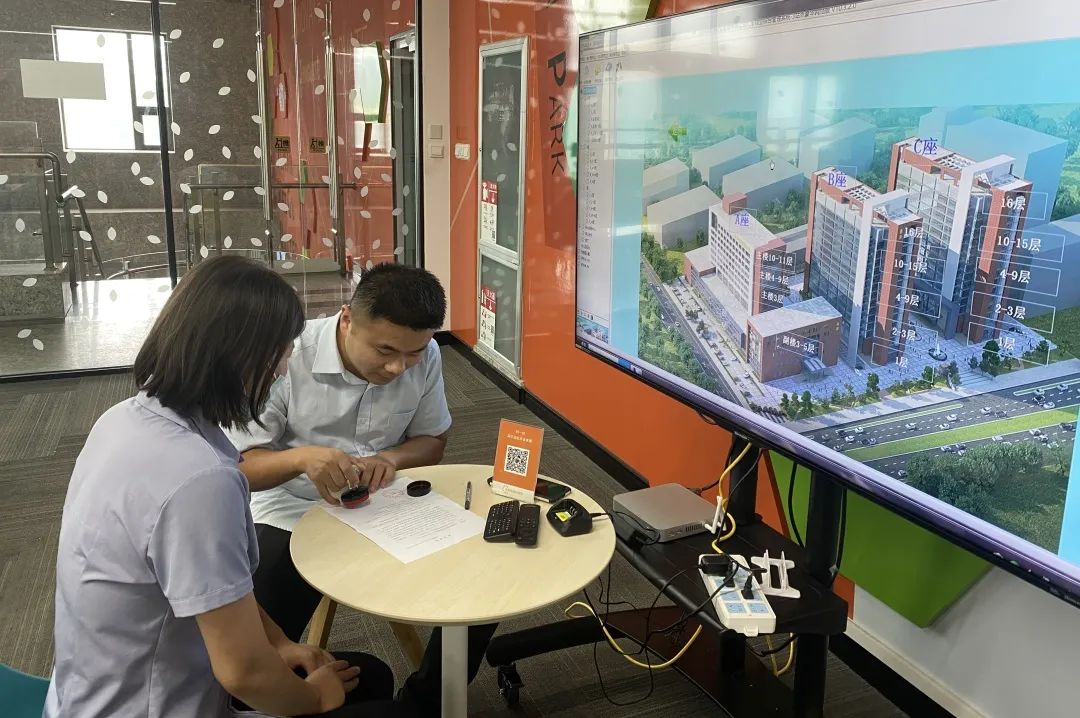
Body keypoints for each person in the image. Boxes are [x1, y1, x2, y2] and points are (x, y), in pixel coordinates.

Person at [44, 256, 410, 718]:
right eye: (279, 353)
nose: (283, 370)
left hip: (84, 696)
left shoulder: (123, 420)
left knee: (365, 676)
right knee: (385, 703)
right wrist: (316, 698)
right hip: (154, 705)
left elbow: (215, 588)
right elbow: (244, 674)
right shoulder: (199, 481)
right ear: (239, 356)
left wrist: (279, 643)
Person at [227, 263, 497, 716]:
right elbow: (239, 467)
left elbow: (432, 441)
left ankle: (427, 703)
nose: (397, 367)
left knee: (484, 574)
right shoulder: (288, 356)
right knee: (257, 631)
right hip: (292, 507)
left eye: (413, 354)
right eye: (385, 350)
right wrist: (301, 459)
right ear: (347, 318)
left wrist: (389, 460)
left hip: (387, 502)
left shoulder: (424, 354)